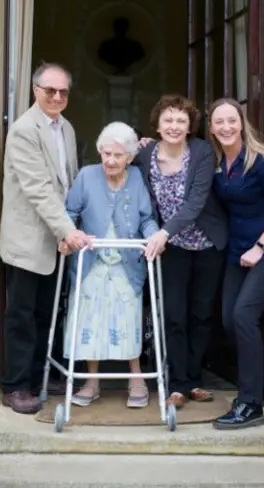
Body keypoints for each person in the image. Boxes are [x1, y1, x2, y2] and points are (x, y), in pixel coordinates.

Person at [0, 62, 92, 415]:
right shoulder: (24, 130)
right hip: (28, 240)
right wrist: (67, 230)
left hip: (57, 240)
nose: (56, 96)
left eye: (63, 92)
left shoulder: (65, 128)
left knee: (45, 313)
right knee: (21, 314)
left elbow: (66, 182)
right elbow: (37, 189)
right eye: (49, 90)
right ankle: (16, 385)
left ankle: (39, 377)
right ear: (35, 90)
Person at [59, 122, 164, 409]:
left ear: (130, 157)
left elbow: (145, 218)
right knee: (89, 322)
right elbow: (69, 212)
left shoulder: (136, 179)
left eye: (118, 155)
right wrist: (71, 235)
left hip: (125, 263)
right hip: (92, 261)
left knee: (128, 321)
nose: (110, 160)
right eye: (106, 154)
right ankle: (91, 382)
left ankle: (137, 378)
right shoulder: (86, 176)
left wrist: (154, 236)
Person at [135, 94, 228, 410]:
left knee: (200, 315)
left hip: (206, 244)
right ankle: (177, 385)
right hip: (171, 248)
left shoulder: (201, 152)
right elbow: (118, 163)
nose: (174, 126)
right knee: (174, 314)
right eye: (168, 120)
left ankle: (194, 379)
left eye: (181, 120)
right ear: (157, 125)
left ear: (190, 126)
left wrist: (163, 233)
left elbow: (196, 201)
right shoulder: (144, 153)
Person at [208, 98, 264, 430]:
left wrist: (260, 246)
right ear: (212, 127)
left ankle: (250, 404)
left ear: (241, 123)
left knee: (244, 314)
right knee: (231, 319)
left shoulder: (263, 161)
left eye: (232, 120)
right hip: (238, 251)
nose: (226, 127)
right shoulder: (218, 163)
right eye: (219, 122)